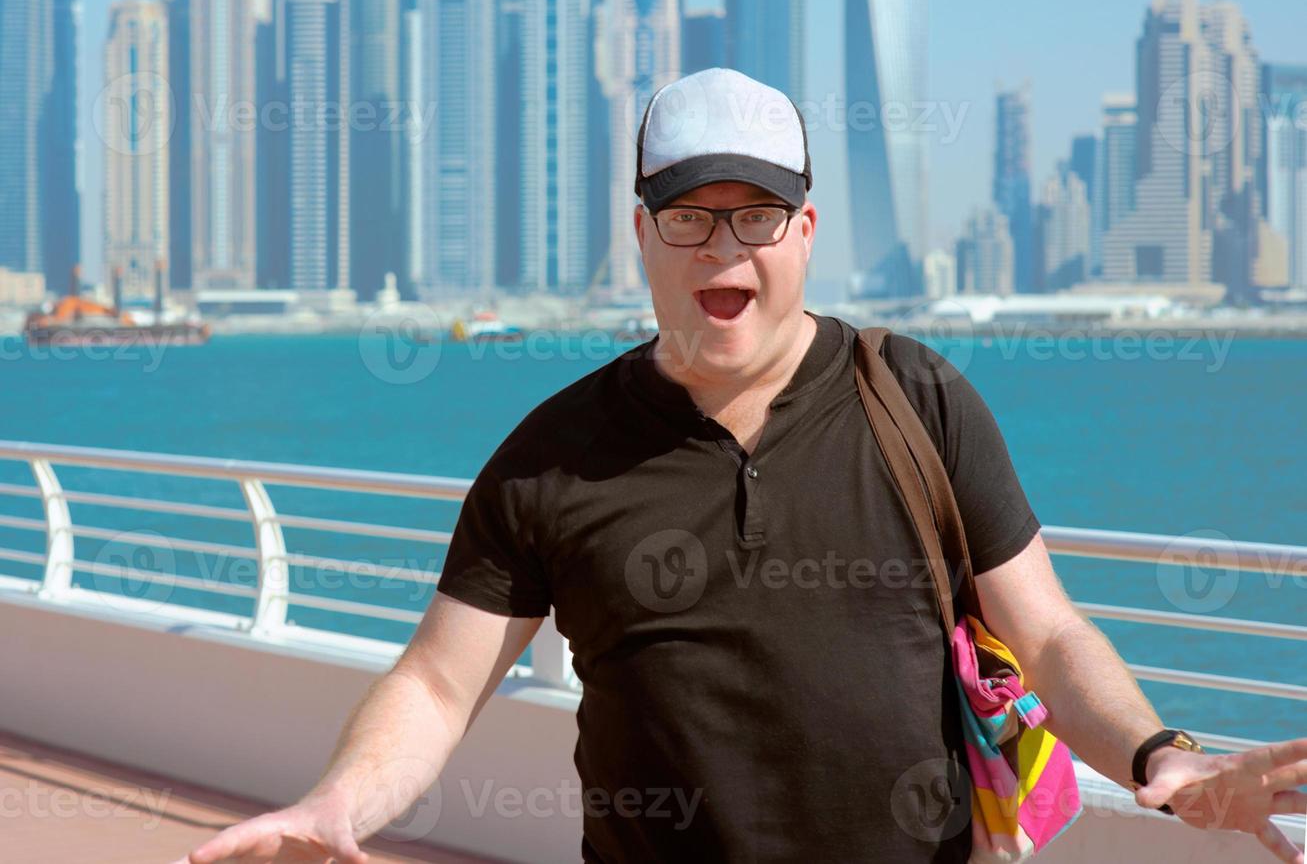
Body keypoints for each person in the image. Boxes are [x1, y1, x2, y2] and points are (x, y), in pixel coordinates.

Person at [178, 68, 1307, 864]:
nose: (726, 248)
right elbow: (434, 682)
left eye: (757, 214)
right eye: (689, 216)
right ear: (640, 233)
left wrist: (1163, 757)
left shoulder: (916, 400)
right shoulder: (549, 457)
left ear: (806, 229)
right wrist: (336, 802)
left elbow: (1050, 631)